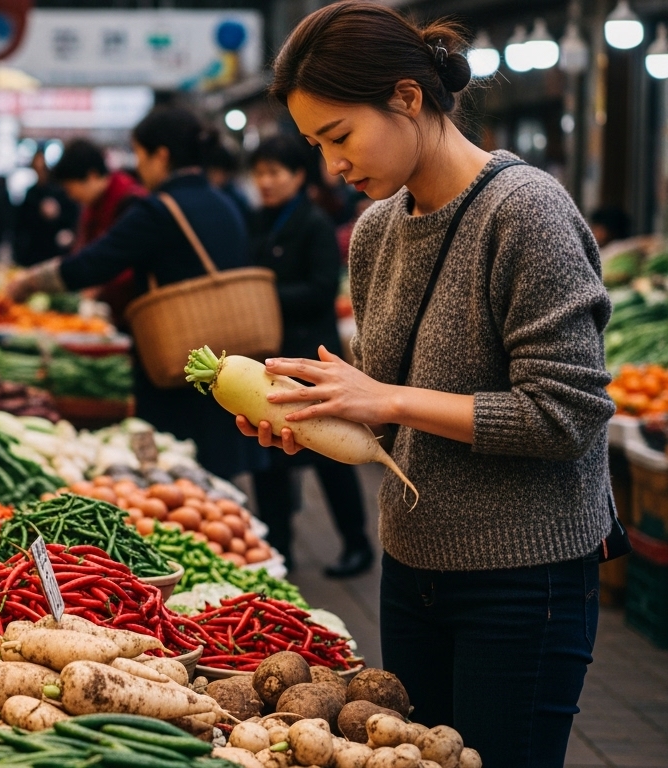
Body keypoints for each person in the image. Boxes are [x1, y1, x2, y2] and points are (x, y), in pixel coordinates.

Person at [252, 4, 612, 765]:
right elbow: (387, 404)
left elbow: (566, 415)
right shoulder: (379, 230)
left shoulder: (528, 212)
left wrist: (383, 400)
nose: (332, 166)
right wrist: (315, 416)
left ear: (407, 99)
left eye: (339, 136)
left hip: (523, 581)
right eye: (317, 145)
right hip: (413, 568)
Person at [3, 107, 263, 480]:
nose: (138, 168)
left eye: (140, 156)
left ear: (161, 155)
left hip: (175, 357)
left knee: (167, 453)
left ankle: (176, 507)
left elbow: (95, 262)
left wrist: (29, 283)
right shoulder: (226, 203)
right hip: (229, 353)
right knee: (217, 456)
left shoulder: (159, 209)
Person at [246, 133, 373, 577]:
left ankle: (357, 544)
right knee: (269, 455)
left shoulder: (313, 222)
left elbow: (321, 289)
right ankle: (278, 549)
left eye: (274, 172)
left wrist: (263, 296)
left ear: (298, 176)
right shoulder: (259, 220)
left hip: (312, 359)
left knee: (329, 455)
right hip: (270, 357)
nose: (265, 181)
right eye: (259, 172)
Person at [50, 139, 146, 320]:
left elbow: (131, 263)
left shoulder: (130, 201)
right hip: (107, 311)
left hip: (133, 312)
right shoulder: (92, 206)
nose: (71, 196)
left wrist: (99, 286)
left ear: (92, 176)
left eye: (70, 188)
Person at [12, 151, 78, 266]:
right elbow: (22, 222)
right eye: (36, 167)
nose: (39, 171)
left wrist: (58, 215)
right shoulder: (31, 192)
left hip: (54, 249)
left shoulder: (60, 191)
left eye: (42, 167)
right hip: (34, 249)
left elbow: (72, 218)